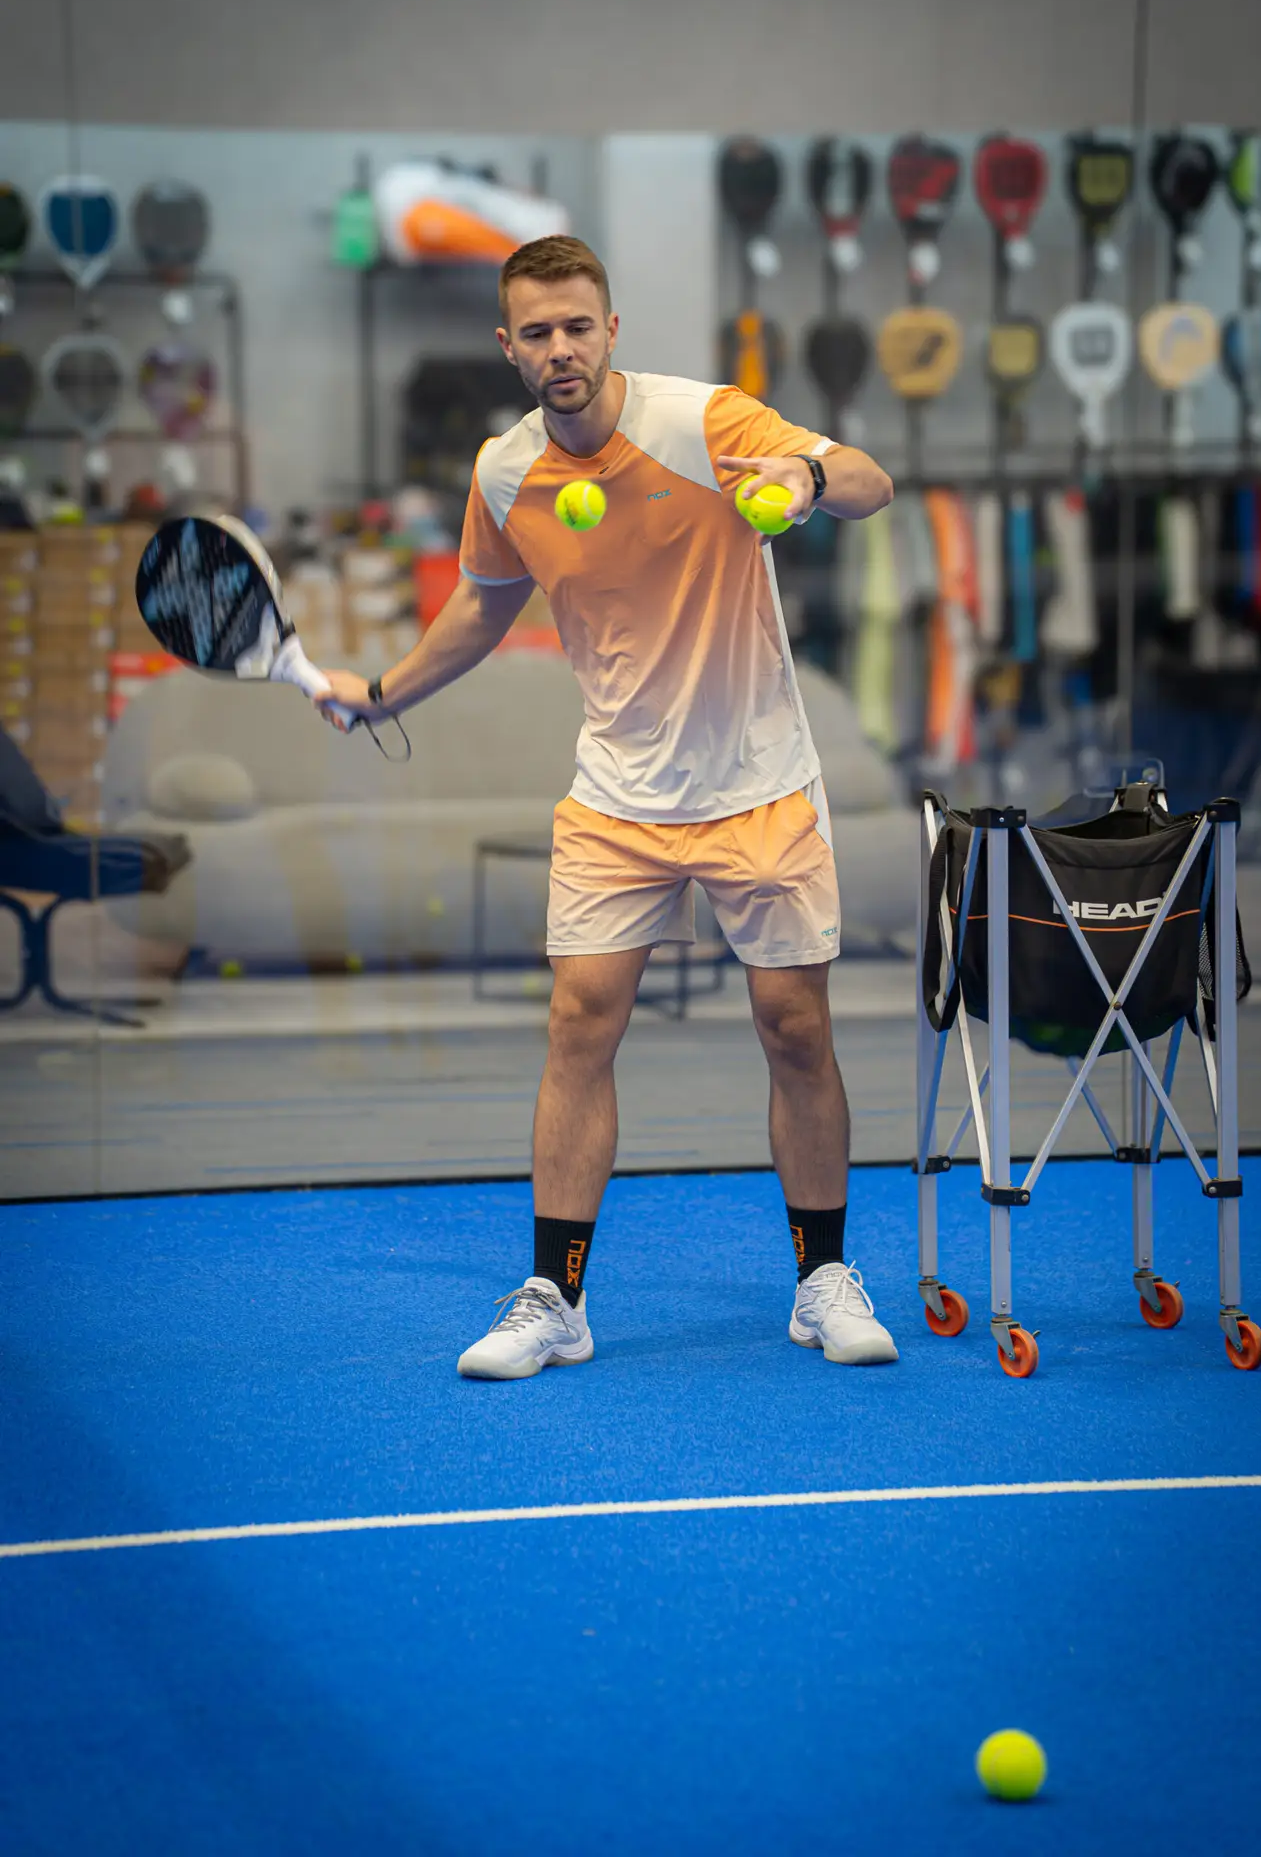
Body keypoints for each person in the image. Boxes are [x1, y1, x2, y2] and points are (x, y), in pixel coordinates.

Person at [318, 234, 898, 1381]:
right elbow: (482, 613)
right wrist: (381, 690)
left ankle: (821, 1279)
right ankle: (557, 1300)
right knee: (579, 1024)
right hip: (615, 794)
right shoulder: (504, 473)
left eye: (577, 325)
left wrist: (804, 482)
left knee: (794, 1029)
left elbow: (871, 480)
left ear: (611, 328)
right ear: (508, 347)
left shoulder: (706, 422)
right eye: (535, 333)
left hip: (757, 781)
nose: (559, 348)